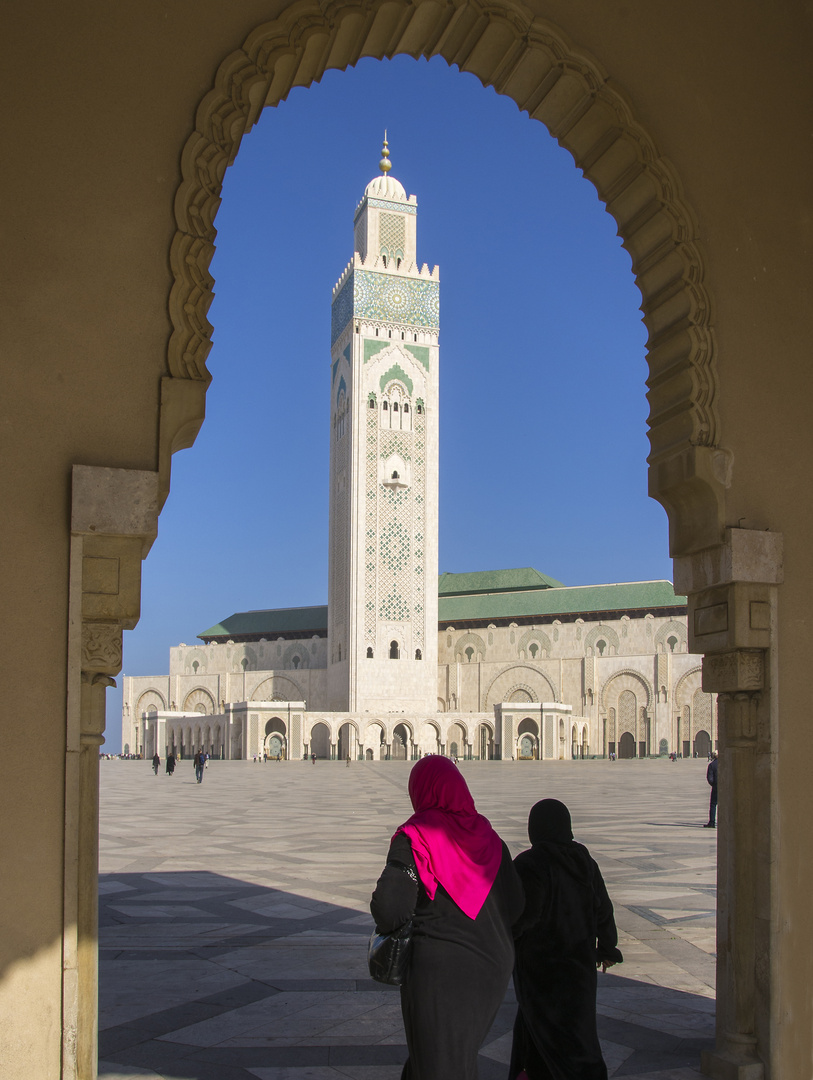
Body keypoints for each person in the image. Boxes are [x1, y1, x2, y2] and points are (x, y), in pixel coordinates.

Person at [371, 755, 524, 1080]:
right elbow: (517, 904)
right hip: (492, 969)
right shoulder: (490, 839)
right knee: (451, 1055)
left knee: (441, 1065)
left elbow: (390, 908)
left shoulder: (416, 837)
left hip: (440, 974)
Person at [509, 799, 622, 1080]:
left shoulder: (531, 864)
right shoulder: (584, 860)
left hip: (542, 974)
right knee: (578, 1036)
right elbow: (603, 909)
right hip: (579, 971)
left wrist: (502, 942)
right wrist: (607, 948)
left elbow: (523, 916)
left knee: (549, 1041)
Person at [705, 752, 718, 828]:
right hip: (725, 788)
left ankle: (712, 822)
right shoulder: (726, 763)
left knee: (713, 805)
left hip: (716, 787)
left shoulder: (712, 765)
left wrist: (714, 785)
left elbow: (710, 778)